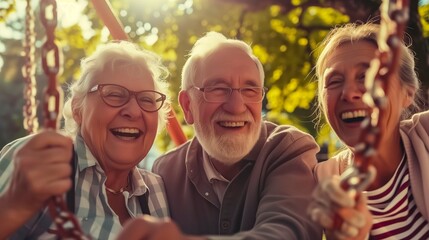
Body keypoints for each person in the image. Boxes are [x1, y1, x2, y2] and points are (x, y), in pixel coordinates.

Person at [117, 31, 323, 240]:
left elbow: (288, 233)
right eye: (218, 89)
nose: (236, 106)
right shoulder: (164, 172)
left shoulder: (288, 149)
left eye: (250, 90)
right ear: (188, 106)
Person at [0, 41, 170, 239]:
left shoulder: (156, 190)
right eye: (114, 94)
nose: (133, 111)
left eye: (147, 99)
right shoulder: (36, 162)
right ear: (77, 109)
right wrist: (12, 207)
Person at [307, 23, 429, 239]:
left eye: (367, 76)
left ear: (407, 93)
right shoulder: (317, 183)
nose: (349, 93)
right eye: (334, 81)